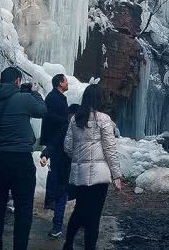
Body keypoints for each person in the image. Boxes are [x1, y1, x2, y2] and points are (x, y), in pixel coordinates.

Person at [0, 66, 47, 250]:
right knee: (24, 209)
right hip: (20, 160)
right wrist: (34, 92)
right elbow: (42, 110)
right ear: (18, 81)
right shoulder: (24, 98)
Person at [62, 84, 122, 250]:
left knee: (79, 210)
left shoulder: (75, 119)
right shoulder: (103, 119)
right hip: (99, 176)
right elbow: (110, 149)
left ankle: (68, 244)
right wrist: (116, 175)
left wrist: (79, 160)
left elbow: (67, 146)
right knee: (94, 217)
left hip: (80, 174)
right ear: (99, 99)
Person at [40, 103, 79, 239]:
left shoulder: (69, 129)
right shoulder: (69, 129)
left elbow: (53, 144)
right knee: (65, 198)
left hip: (66, 169)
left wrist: (46, 154)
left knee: (62, 198)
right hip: (69, 169)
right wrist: (45, 154)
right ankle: (62, 226)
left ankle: (59, 227)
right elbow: (54, 144)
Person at [41, 74, 70, 216]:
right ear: (60, 83)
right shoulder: (53, 97)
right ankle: (50, 199)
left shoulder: (57, 97)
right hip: (55, 139)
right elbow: (49, 116)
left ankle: (51, 197)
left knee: (55, 169)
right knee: (55, 169)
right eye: (65, 80)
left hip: (57, 138)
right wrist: (65, 121)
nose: (67, 82)